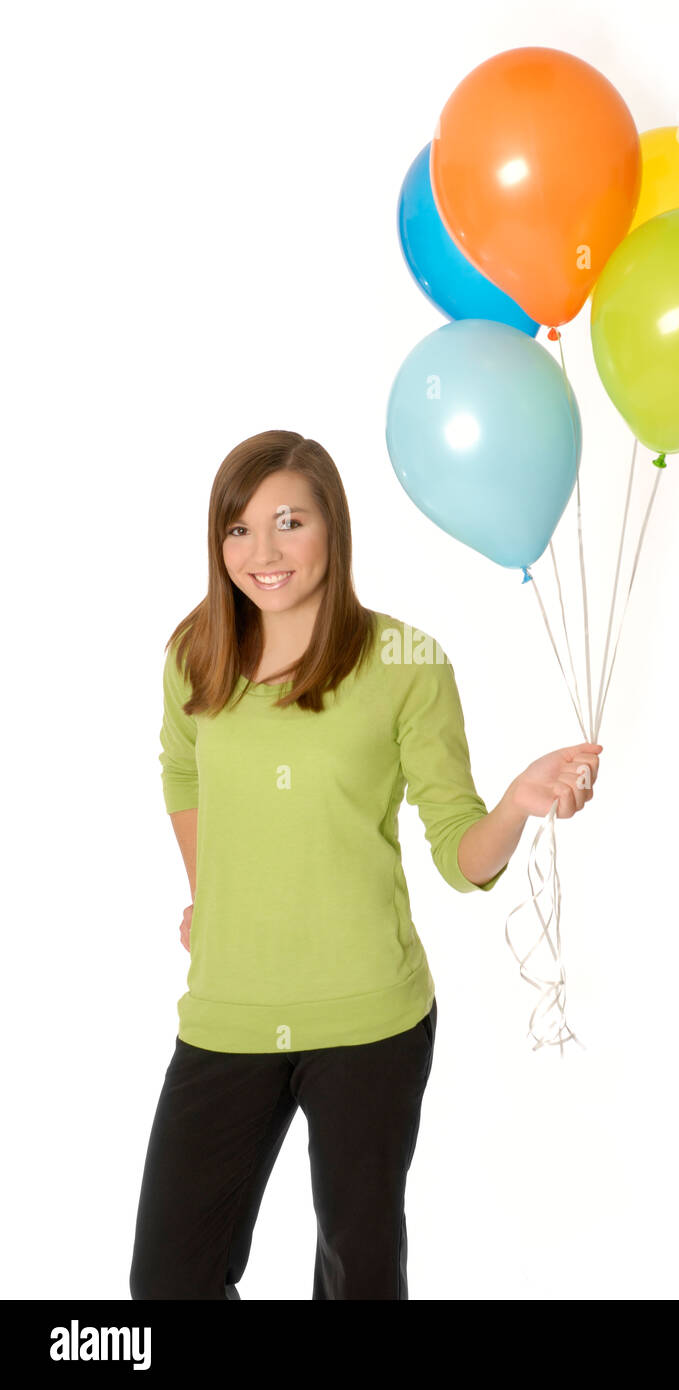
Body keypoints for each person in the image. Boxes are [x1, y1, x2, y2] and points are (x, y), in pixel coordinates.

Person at [128, 429, 601, 1301]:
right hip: (231, 1010)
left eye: (288, 523)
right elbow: (183, 769)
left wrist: (516, 805)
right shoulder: (195, 652)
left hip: (369, 1021)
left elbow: (463, 856)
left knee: (360, 1277)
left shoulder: (406, 665)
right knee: (168, 1280)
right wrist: (214, 893)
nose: (262, 553)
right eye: (237, 530)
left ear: (333, 531)